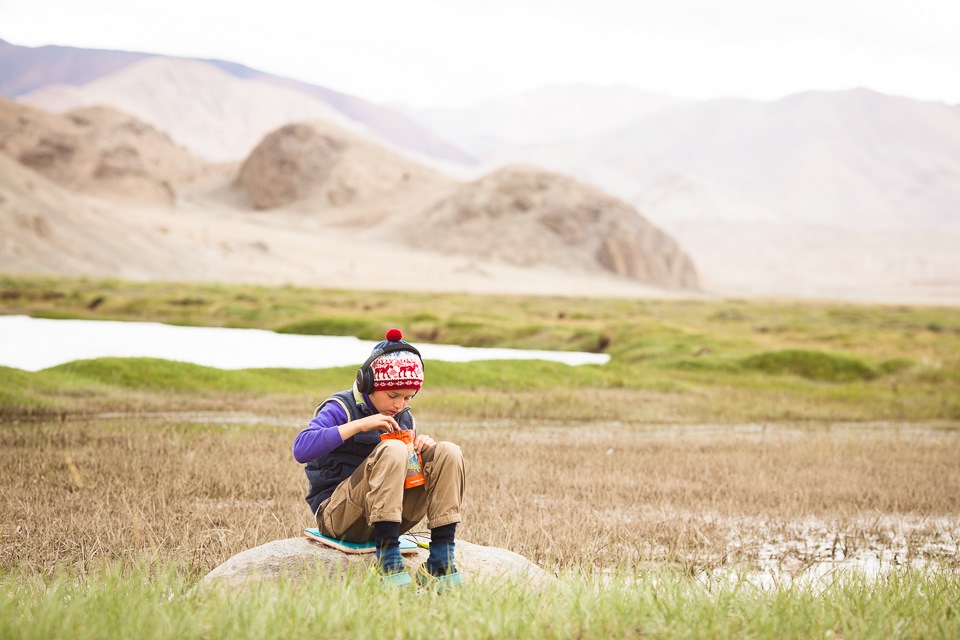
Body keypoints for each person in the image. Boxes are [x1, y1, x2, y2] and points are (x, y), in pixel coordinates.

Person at [293, 328, 465, 589]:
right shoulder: (340, 407)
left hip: (389, 518)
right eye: (393, 396)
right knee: (393, 450)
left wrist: (420, 451)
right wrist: (360, 425)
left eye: (408, 397)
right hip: (339, 517)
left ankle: (441, 563)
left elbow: (408, 471)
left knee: (447, 451)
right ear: (368, 384)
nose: (399, 405)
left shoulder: (404, 416)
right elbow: (301, 449)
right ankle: (387, 563)